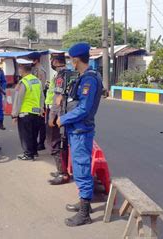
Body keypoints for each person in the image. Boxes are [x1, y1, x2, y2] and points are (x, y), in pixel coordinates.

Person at [56, 42, 103, 227]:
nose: (70, 63)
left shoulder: (89, 80)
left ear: (75, 60)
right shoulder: (84, 77)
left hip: (81, 130)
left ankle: (85, 213)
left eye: (70, 60)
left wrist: (64, 119)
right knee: (78, 166)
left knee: (82, 167)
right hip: (76, 129)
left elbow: (84, 109)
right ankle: (85, 203)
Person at [12, 58, 44, 161]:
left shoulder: (23, 82)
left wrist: (14, 115)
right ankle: (34, 152)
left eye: (19, 68)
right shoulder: (37, 81)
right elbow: (41, 96)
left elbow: (18, 99)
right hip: (36, 112)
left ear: (22, 69)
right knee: (34, 134)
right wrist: (41, 109)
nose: (19, 70)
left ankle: (28, 154)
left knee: (25, 135)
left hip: (25, 113)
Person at [46, 52, 71, 185]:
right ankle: (62, 170)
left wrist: (52, 117)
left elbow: (57, 99)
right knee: (63, 143)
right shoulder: (70, 73)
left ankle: (63, 173)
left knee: (56, 143)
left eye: (52, 61)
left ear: (55, 62)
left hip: (59, 115)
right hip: (67, 114)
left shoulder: (60, 76)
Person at [28, 52, 47, 151]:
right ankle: (35, 142)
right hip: (34, 98)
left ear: (35, 60)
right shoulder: (34, 69)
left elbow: (41, 86)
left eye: (31, 60)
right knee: (36, 121)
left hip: (39, 98)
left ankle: (41, 143)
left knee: (40, 122)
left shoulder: (40, 70)